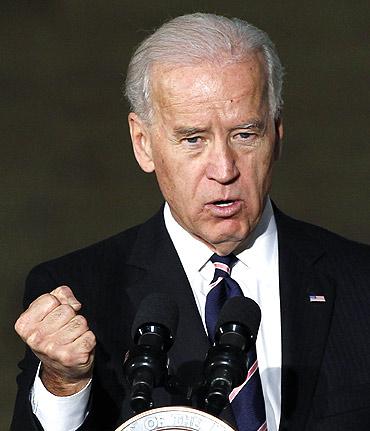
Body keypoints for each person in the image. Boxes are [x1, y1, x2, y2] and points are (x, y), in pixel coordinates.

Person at [11, 13, 370, 431]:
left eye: (244, 135)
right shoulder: (79, 293)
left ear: (276, 134)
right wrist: (63, 384)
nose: (223, 169)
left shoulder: (359, 282)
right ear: (143, 144)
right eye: (193, 139)